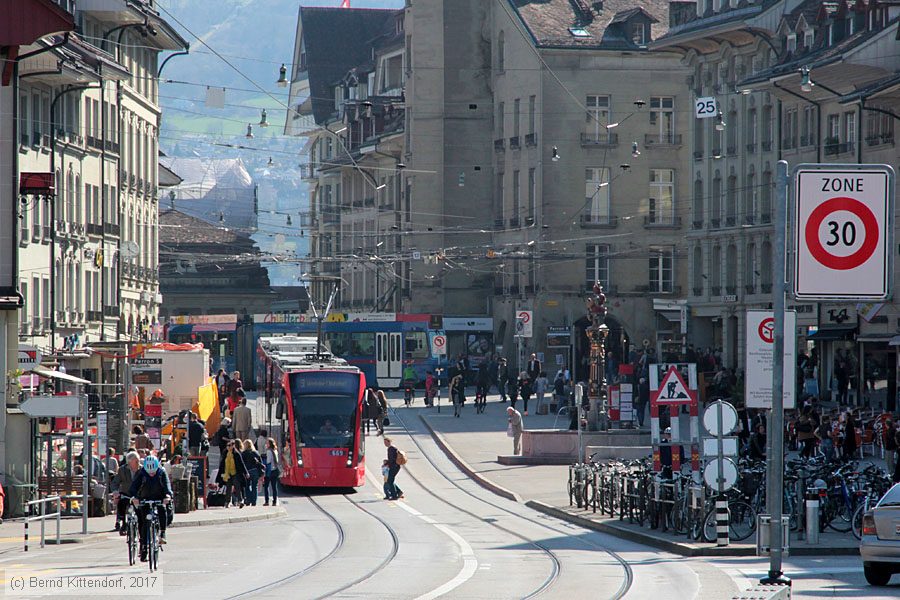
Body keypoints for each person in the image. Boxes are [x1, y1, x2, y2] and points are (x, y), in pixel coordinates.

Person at [128, 455, 173, 561]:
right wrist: (134, 497)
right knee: (144, 523)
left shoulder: (162, 473)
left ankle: (162, 533)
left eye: (153, 472)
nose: (151, 474)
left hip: (159, 497)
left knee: (162, 510)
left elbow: (167, 486)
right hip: (145, 498)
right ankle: (144, 547)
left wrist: (168, 496)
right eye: (149, 472)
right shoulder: (141, 473)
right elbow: (134, 487)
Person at [111, 451, 141, 534]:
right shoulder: (122, 470)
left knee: (141, 509)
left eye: (138, 460)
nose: (138, 463)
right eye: (136, 461)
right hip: (126, 493)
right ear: (129, 462)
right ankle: (123, 523)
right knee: (121, 502)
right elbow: (115, 482)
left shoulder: (142, 469)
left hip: (138, 494)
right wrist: (115, 491)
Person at [218, 440, 249, 508]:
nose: (228, 447)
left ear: (233, 446)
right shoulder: (225, 453)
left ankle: (240, 501)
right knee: (228, 487)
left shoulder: (236, 454)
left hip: (235, 472)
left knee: (237, 486)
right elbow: (222, 464)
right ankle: (227, 502)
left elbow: (241, 464)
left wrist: (246, 472)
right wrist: (220, 474)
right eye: (227, 446)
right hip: (227, 473)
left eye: (229, 445)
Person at [241, 439, 263, 507]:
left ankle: (248, 500)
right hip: (255, 471)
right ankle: (254, 502)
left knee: (247, 486)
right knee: (254, 486)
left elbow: (242, 463)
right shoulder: (256, 453)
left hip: (247, 471)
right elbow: (260, 462)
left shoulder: (243, 453)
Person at [263, 438, 280, 506]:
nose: (266, 444)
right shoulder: (275, 450)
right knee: (274, 487)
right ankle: (274, 501)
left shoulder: (269, 451)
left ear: (269, 444)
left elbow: (268, 461)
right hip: (275, 470)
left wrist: (264, 459)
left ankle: (267, 501)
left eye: (267, 443)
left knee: (266, 486)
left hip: (269, 471)